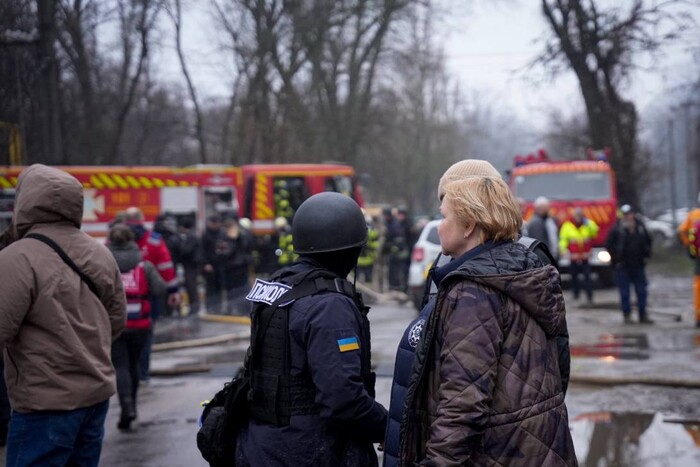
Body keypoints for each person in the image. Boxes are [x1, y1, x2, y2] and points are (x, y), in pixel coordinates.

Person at [383, 159, 571, 467]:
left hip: (494, 453)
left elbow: (463, 404)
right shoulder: (519, 271)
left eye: (443, 216)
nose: (438, 225)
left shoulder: (472, 291)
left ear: (469, 225)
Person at [237, 192, 388, 467]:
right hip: (311, 451)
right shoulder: (331, 306)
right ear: (352, 249)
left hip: (261, 446)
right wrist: (390, 428)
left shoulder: (280, 286)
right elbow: (343, 400)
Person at [0, 164, 126, 465]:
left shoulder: (16, 258)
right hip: (95, 397)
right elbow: (116, 321)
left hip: (44, 402)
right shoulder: (99, 252)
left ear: (25, 201)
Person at [107, 223, 166, 430]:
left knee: (120, 365)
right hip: (140, 323)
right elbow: (160, 288)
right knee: (133, 365)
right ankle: (131, 408)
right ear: (132, 240)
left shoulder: (104, 264)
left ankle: (126, 409)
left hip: (114, 324)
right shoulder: (144, 265)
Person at [124, 206, 181, 383]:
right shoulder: (154, 241)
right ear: (142, 219)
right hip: (147, 298)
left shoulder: (115, 240)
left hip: (119, 298)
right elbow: (166, 268)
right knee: (146, 336)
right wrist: (173, 292)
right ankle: (142, 374)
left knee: (120, 339)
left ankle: (124, 373)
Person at [606, 204, 653, 324]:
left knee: (642, 291)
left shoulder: (640, 227)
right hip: (622, 266)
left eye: (630, 214)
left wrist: (646, 255)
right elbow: (609, 245)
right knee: (624, 292)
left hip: (638, 265)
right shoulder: (617, 229)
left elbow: (648, 241)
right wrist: (615, 260)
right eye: (625, 215)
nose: (628, 217)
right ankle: (627, 315)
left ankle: (642, 314)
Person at [559, 207, 599, 304]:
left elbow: (595, 232)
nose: (578, 217)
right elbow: (563, 239)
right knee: (573, 276)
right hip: (573, 257)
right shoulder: (567, 226)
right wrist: (563, 250)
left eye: (580, 215)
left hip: (585, 256)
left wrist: (588, 224)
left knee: (587, 277)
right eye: (576, 215)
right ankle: (576, 294)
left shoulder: (588, 224)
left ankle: (589, 295)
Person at [222, 213, 254, 315]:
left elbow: (247, 247)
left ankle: (243, 309)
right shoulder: (225, 236)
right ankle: (233, 309)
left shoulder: (243, 235)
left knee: (242, 290)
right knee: (233, 291)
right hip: (232, 267)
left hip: (239, 267)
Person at [678, 191, 700, 328]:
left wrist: (689, 246)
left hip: (698, 258)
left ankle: (698, 317)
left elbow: (681, 230)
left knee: (698, 287)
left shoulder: (693, 215)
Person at [199, 214, 227, 314]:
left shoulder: (222, 233)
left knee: (220, 287)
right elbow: (202, 251)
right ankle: (211, 307)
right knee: (210, 288)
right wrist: (205, 263)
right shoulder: (206, 235)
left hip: (220, 264)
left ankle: (219, 307)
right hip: (210, 265)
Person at [178, 216, 201, 315]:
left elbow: (186, 250)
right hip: (191, 265)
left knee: (191, 286)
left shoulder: (191, 237)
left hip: (191, 265)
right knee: (190, 286)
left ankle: (194, 308)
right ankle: (194, 307)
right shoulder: (193, 235)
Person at [526, 196, 560, 263]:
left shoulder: (547, 220)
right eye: (546, 207)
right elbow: (540, 243)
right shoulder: (536, 223)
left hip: (549, 256)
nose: (548, 209)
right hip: (544, 259)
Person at [357, 214, 379, 284]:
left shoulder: (356, 229)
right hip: (366, 259)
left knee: (358, 280)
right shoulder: (372, 231)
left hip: (362, 259)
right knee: (367, 279)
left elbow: (375, 244)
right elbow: (375, 245)